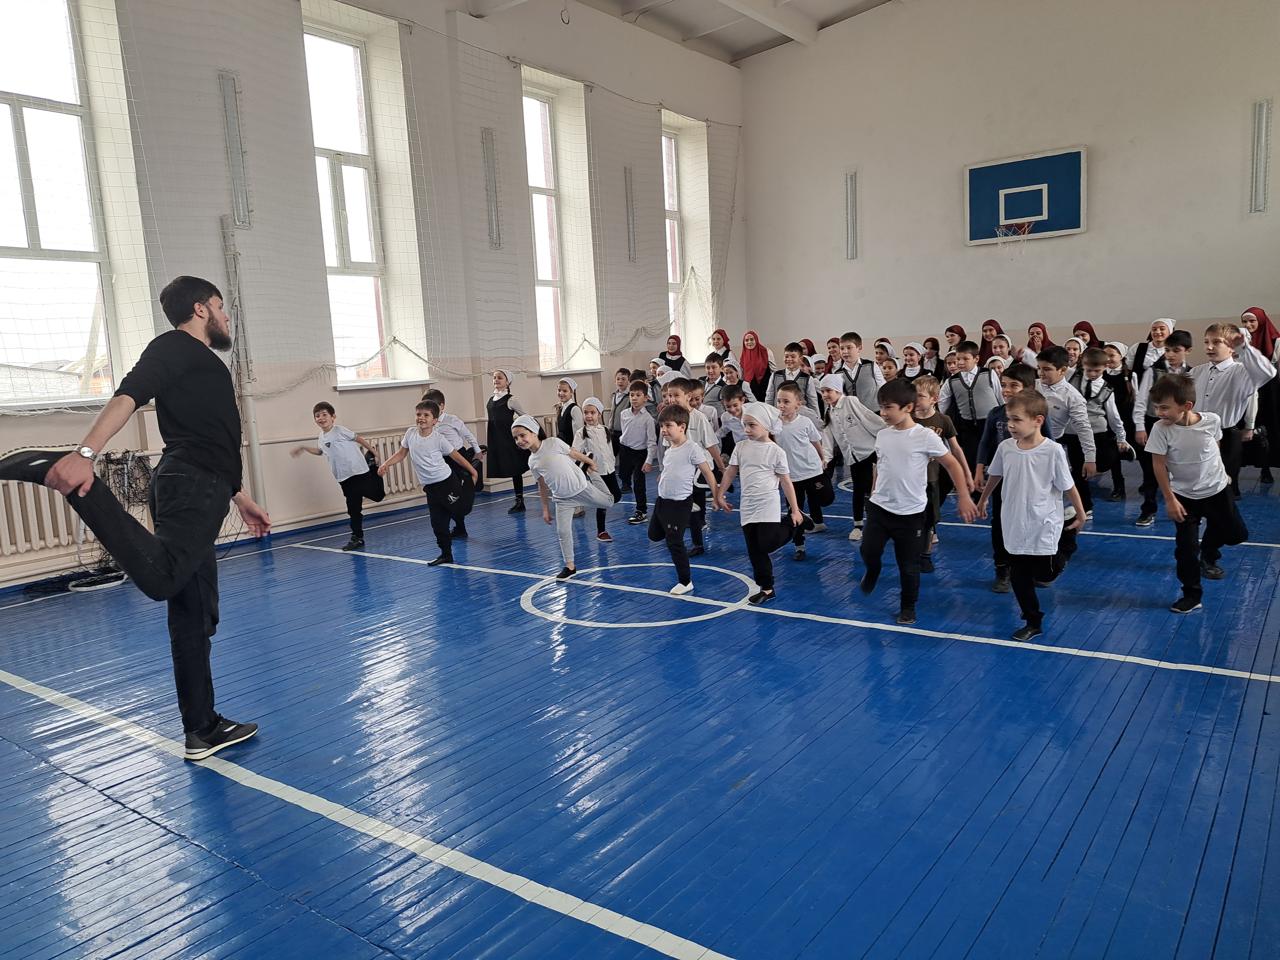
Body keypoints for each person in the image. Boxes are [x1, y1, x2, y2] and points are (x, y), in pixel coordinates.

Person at [0, 276, 270, 761]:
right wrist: (85, 454)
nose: (227, 315)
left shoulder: (201, 362)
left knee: (193, 615)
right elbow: (130, 393)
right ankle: (70, 481)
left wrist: (240, 496)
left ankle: (202, 729)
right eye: (220, 305)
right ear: (200, 309)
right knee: (163, 579)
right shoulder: (174, 346)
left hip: (202, 483)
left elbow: (212, 437)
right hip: (193, 486)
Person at [859, 379, 977, 624]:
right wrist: (872, 494)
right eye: (881, 407)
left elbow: (952, 463)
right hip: (880, 508)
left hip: (910, 514)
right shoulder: (883, 435)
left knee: (909, 565)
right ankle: (873, 570)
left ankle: (908, 606)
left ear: (908, 408)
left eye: (888, 407)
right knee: (868, 550)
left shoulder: (925, 436)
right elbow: (880, 466)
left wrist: (964, 496)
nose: (883, 413)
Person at [976, 391, 1086, 641]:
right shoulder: (1005, 448)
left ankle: (1067, 544)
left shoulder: (1053, 451)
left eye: (1017, 420)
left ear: (1038, 420)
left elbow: (1068, 485)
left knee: (1046, 574)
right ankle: (1032, 620)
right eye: (1009, 419)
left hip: (1044, 522)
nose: (1010, 425)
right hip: (1014, 521)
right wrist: (983, 500)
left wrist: (1080, 514)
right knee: (1019, 575)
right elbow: (996, 474)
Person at [1146, 375, 1249, 613]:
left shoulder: (1212, 420)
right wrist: (1170, 499)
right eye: (1157, 407)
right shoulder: (1160, 429)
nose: (1159, 412)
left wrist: (1222, 472)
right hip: (1184, 497)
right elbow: (1158, 465)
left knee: (1237, 534)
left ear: (1187, 406)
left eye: (1164, 407)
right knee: (1186, 549)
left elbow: (1215, 446)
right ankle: (1192, 595)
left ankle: (1209, 551)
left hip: (1217, 491)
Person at [715, 403, 809, 604]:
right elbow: (731, 471)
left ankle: (794, 523)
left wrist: (794, 509)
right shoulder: (741, 447)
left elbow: (786, 481)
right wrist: (720, 493)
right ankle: (767, 588)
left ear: (766, 425)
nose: (747, 430)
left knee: (767, 543)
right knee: (754, 550)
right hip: (748, 505)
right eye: (745, 425)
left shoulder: (776, 451)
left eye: (752, 425)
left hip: (768, 503)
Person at [509, 415, 615, 579]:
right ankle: (570, 566)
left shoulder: (553, 443)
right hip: (562, 499)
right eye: (516, 438)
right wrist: (545, 509)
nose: (519, 441)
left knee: (609, 502)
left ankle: (590, 474)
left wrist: (590, 462)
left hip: (581, 488)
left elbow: (574, 453)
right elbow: (542, 485)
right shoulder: (532, 461)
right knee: (563, 532)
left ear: (534, 432)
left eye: (522, 435)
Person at [378, 400, 478, 567]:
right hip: (430, 487)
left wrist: (473, 471)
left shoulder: (439, 439)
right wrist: (386, 464)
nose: (421, 418)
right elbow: (401, 453)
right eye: (418, 414)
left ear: (434, 420)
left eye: (426, 415)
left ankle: (467, 483)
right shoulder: (410, 434)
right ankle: (446, 554)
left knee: (462, 510)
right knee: (438, 523)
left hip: (446, 482)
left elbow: (455, 456)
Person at [974, 362, 1040, 593]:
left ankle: (1030, 567)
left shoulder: (1037, 416)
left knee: (1030, 521)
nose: (1007, 390)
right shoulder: (996, 413)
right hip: (1002, 478)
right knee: (1000, 522)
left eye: (1014, 385)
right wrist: (979, 470)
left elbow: (1050, 442)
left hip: (1030, 480)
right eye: (1004, 385)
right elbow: (985, 443)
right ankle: (1002, 569)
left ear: (1028, 388)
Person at [1189, 323, 1276, 498]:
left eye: (1217, 342)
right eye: (1206, 342)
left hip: (1226, 436)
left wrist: (1244, 348)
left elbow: (1268, 373)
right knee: (1197, 485)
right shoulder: (1196, 372)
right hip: (1196, 433)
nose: (1209, 347)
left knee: (1224, 488)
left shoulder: (1242, 372)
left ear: (1231, 347)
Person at [291, 401, 384, 551]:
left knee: (378, 496)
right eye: (317, 416)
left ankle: (372, 466)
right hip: (344, 478)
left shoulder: (339, 430)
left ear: (333, 417)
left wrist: (374, 452)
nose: (321, 418)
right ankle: (357, 538)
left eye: (324, 414)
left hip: (359, 472)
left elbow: (358, 438)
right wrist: (303, 448)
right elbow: (320, 451)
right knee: (353, 509)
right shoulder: (321, 437)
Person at [649, 405, 720, 594]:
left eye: (668, 426)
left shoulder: (692, 448)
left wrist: (716, 496)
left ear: (682, 427)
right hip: (662, 501)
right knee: (654, 535)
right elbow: (671, 468)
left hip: (679, 503)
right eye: (661, 426)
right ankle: (690, 514)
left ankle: (685, 581)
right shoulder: (670, 449)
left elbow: (708, 473)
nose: (663, 430)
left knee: (674, 542)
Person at [1132, 329, 1194, 526]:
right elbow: (1141, 401)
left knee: (1181, 470)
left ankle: (1184, 507)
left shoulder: (1191, 373)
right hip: (1155, 424)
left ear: (1187, 351)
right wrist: (1140, 426)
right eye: (1167, 350)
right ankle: (1148, 510)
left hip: (1181, 426)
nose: (1170, 354)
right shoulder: (1153, 371)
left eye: (1176, 350)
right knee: (1151, 471)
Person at [911, 375, 972, 572]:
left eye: (920, 396)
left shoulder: (943, 420)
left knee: (929, 519)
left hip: (932, 478)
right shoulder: (908, 419)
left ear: (934, 399)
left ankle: (925, 555)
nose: (915, 400)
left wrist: (967, 474)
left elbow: (956, 449)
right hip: (910, 479)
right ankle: (911, 550)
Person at [818, 373, 886, 543]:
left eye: (828, 390)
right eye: (822, 391)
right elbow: (828, 439)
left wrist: (888, 433)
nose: (825, 395)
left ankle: (881, 523)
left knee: (876, 489)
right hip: (853, 458)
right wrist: (826, 458)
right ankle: (858, 526)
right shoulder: (829, 412)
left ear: (838, 390)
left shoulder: (850, 402)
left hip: (870, 452)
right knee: (858, 490)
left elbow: (869, 418)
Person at [662, 378, 726, 556]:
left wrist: (721, 467)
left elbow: (711, 445)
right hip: (680, 471)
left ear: (688, 396)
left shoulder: (699, 418)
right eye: (669, 395)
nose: (672, 399)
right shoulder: (669, 418)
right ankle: (677, 537)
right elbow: (668, 448)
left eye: (676, 395)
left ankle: (697, 543)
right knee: (679, 505)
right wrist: (665, 470)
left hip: (699, 469)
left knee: (694, 507)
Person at [1066, 347, 1130, 515]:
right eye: (1089, 370)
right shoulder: (1072, 378)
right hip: (1075, 432)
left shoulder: (1107, 389)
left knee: (1107, 460)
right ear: (1083, 365)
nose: (1093, 374)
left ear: (1105, 367)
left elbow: (1113, 415)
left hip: (1098, 431)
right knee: (1078, 471)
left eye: (1097, 371)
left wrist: (1121, 437)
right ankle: (1085, 507)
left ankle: (1114, 455)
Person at [774, 381, 827, 559]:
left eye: (786, 402)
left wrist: (822, 457)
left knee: (826, 498)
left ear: (798, 404)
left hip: (811, 470)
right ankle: (799, 546)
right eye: (779, 401)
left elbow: (815, 441)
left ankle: (815, 519)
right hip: (790, 476)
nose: (781, 405)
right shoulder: (775, 424)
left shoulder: (805, 422)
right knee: (794, 511)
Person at [1035, 345, 1097, 499]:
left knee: (1048, 494)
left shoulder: (1072, 397)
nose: (1041, 373)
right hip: (1025, 445)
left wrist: (1090, 458)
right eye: (1039, 368)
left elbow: (1084, 429)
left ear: (1062, 370)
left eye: (1046, 369)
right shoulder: (1033, 386)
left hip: (1050, 449)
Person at [938, 340, 1002, 480]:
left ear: (976, 359)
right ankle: (975, 489)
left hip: (990, 424)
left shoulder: (989, 374)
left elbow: (1000, 397)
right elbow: (942, 403)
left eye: (965, 359)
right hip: (968, 427)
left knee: (995, 459)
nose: (960, 362)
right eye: (958, 359)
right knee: (972, 460)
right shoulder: (951, 381)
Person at [422, 388, 481, 539]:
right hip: (442, 460)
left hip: (458, 457)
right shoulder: (429, 423)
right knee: (445, 495)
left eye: (432, 406)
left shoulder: (451, 420)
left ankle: (460, 527)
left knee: (455, 495)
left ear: (441, 406)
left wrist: (477, 451)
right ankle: (457, 527)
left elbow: (468, 435)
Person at [573, 397, 622, 542]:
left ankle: (589, 498)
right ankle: (601, 531)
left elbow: (609, 449)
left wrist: (612, 463)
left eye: (592, 412)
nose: (589, 416)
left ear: (599, 414)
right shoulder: (581, 433)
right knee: (603, 502)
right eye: (585, 412)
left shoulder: (605, 430)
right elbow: (574, 452)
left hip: (609, 470)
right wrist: (587, 462)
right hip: (596, 473)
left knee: (616, 496)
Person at [1241, 307, 1280, 483]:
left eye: (1252, 321)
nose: (1248, 325)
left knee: (1271, 426)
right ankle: (1255, 465)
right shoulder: (1242, 340)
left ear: (1261, 321)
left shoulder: (1275, 341)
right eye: (1244, 321)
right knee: (1250, 427)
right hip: (1249, 389)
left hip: (1270, 390)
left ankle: (1269, 466)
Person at [485, 368, 531, 514]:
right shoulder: (491, 399)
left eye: (500, 377)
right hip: (496, 439)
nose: (496, 380)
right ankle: (518, 500)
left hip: (509, 439)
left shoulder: (511, 400)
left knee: (516, 469)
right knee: (509, 467)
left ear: (507, 382)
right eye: (494, 377)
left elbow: (525, 417)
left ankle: (520, 501)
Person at [618, 380, 659, 525]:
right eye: (632, 395)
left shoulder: (648, 419)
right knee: (623, 476)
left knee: (638, 483)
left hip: (640, 454)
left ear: (645, 398)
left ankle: (641, 511)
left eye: (638, 395)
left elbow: (652, 442)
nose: (634, 398)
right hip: (625, 450)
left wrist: (648, 461)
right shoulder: (624, 414)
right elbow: (625, 433)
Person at [1101, 342, 1135, 501]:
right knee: (1113, 455)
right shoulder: (1101, 375)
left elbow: (1137, 399)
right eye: (1105, 355)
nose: (1108, 359)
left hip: (1127, 419)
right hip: (1107, 419)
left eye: (1112, 355)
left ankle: (1150, 482)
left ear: (1121, 357)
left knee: (1140, 454)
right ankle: (1119, 487)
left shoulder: (1130, 375)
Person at [765, 341, 820, 412]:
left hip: (800, 416)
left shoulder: (807, 378)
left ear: (800, 359)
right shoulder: (775, 375)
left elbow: (813, 402)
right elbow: (769, 398)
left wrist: (816, 417)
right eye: (786, 356)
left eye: (793, 357)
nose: (789, 359)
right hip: (778, 415)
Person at [739, 330, 774, 401]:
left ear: (756, 340)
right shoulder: (743, 355)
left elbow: (773, 370)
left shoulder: (766, 351)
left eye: (752, 339)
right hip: (750, 388)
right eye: (746, 340)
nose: (749, 342)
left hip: (765, 386)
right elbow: (742, 373)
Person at [554, 377, 584, 444]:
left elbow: (579, 434)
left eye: (565, 391)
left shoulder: (574, 409)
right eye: (559, 390)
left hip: (571, 446)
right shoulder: (561, 408)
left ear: (571, 392)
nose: (561, 393)